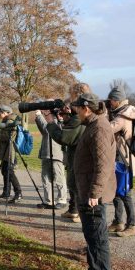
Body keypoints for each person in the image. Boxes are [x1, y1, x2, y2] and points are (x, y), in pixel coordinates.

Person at [72, 93, 116, 270]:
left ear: (86, 108)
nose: (76, 112)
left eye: (77, 109)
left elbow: (104, 164)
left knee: (97, 235)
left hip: (93, 193)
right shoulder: (92, 125)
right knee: (91, 234)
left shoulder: (98, 128)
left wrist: (94, 193)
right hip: (87, 189)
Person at [46, 83, 89, 221]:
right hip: (76, 154)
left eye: (71, 95)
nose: (70, 98)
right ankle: (74, 210)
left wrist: (51, 123)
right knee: (73, 183)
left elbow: (65, 138)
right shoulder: (81, 112)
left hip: (80, 155)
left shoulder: (82, 114)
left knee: (78, 185)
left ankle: (82, 214)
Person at [107, 86, 135, 237]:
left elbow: (106, 129)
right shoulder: (119, 112)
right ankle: (118, 222)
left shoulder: (122, 116)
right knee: (116, 191)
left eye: (112, 100)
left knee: (125, 193)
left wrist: (101, 115)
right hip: (119, 158)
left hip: (124, 160)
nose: (110, 103)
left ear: (117, 100)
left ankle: (132, 225)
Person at [35, 108, 67, 209]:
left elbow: (47, 129)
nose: (44, 111)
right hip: (46, 153)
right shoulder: (48, 118)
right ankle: (48, 201)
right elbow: (43, 131)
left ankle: (62, 200)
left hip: (56, 153)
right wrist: (39, 117)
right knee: (45, 179)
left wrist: (39, 116)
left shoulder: (57, 119)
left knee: (59, 178)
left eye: (45, 109)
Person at [0, 105, 22, 203]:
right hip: (6, 149)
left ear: (5, 112)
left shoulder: (10, 121)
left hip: (10, 150)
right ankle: (6, 192)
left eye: (0, 114)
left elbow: (7, 136)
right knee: (5, 171)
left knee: (9, 172)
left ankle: (18, 193)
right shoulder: (8, 120)